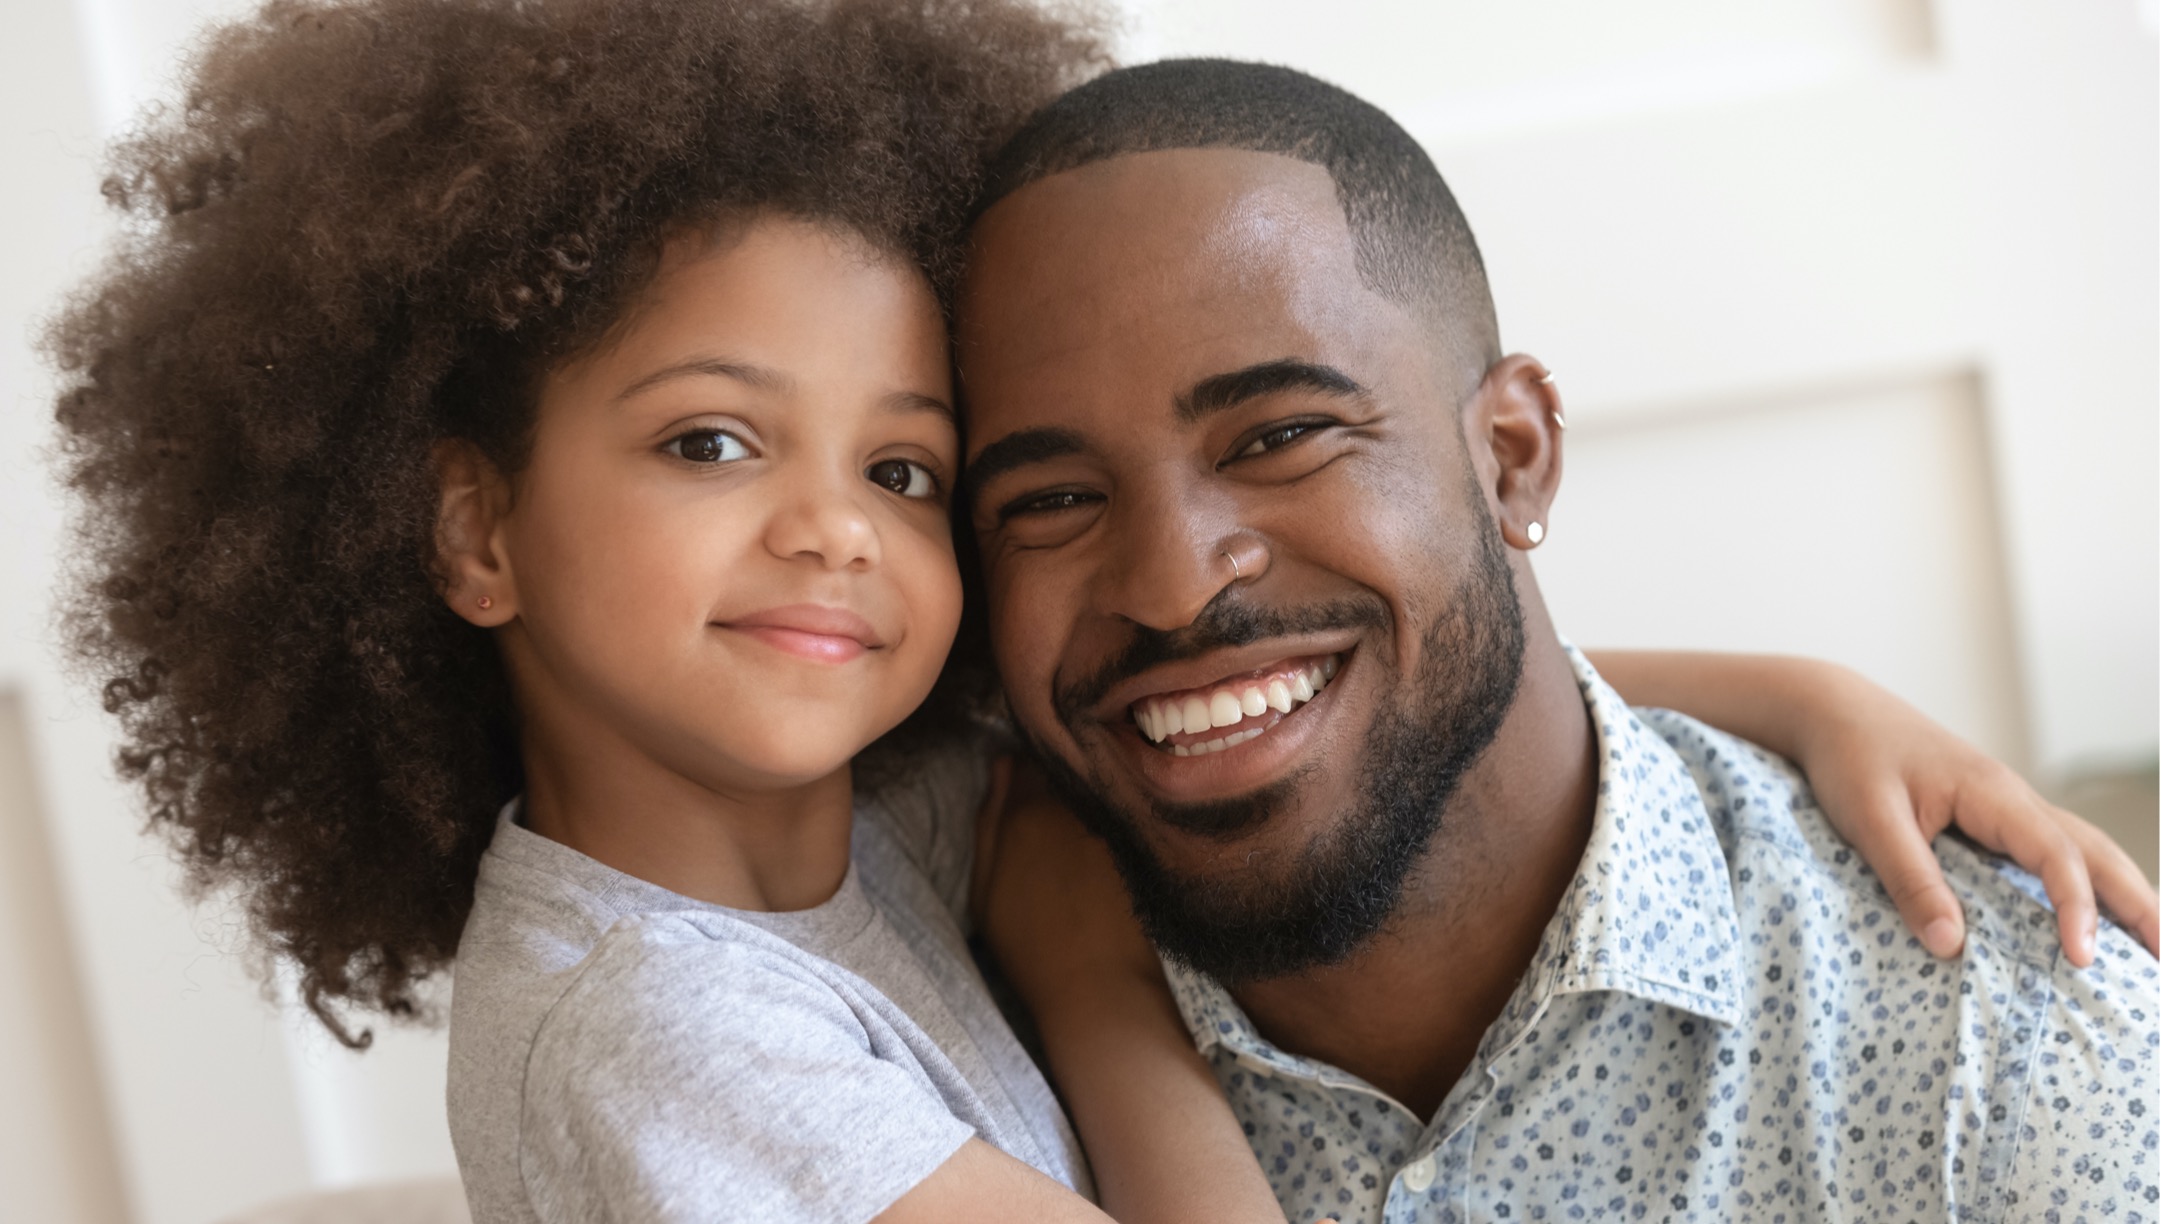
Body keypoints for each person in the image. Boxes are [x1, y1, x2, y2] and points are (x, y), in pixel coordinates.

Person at [46, 2, 2151, 1220]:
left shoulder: (855, 817)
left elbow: (1340, 678)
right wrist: (1082, 972)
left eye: (898, 470)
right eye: (707, 446)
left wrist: (1798, 692)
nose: (831, 536)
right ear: (471, 536)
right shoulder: (658, 1034)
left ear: (1513, 458)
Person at [953, 58, 2161, 1223]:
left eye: (1278, 437)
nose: (1168, 588)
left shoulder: (2016, 1050)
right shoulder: (915, 1051)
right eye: (1048, 501)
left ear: (1515, 454)